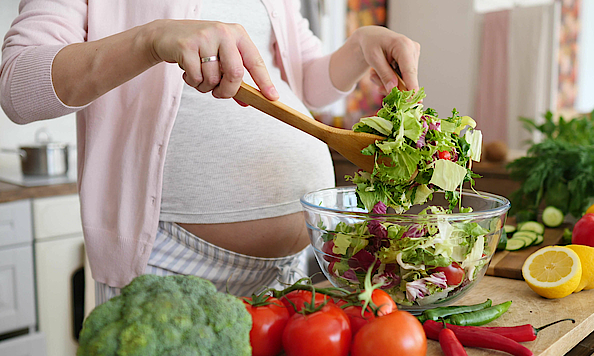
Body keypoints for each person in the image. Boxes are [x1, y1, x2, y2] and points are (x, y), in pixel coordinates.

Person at [0, 0, 420, 304]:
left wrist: (359, 47)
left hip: (292, 270)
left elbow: (306, 83)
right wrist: (152, 38)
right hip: (169, 265)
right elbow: (18, 85)